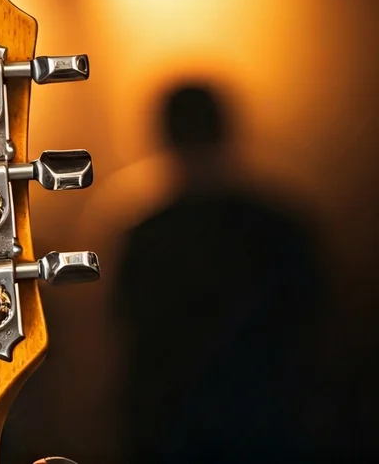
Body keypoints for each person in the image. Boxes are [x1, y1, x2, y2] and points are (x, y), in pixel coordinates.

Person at [113, 84, 322, 464]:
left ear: (165, 134)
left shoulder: (144, 230)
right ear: (226, 128)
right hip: (266, 423)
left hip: (174, 429)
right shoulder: (278, 223)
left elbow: (121, 333)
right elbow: (315, 327)